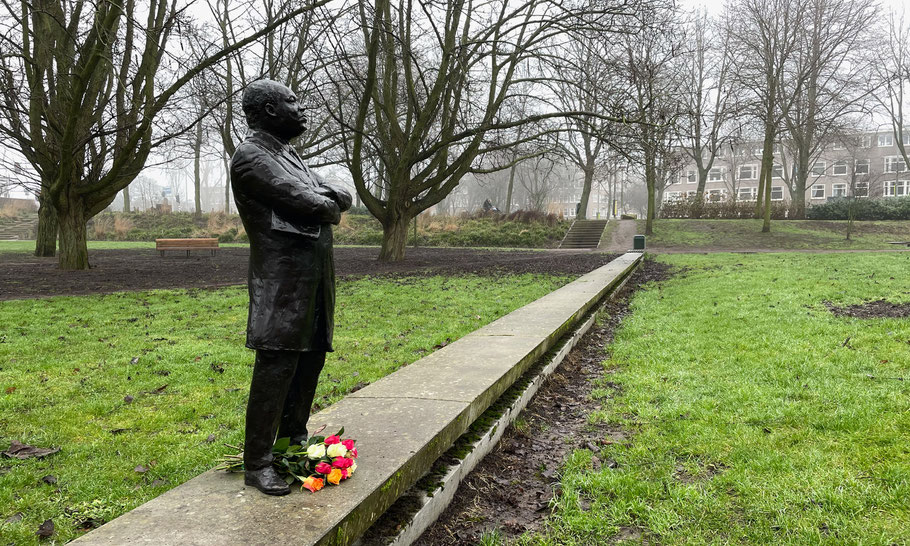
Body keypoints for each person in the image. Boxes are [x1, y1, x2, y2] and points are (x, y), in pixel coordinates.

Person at [230, 79, 352, 496]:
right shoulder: (252, 157)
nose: (302, 109)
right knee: (277, 370)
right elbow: (318, 205)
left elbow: (342, 195)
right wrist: (324, 197)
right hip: (281, 287)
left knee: (309, 364)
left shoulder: (288, 155)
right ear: (267, 110)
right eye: (292, 101)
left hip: (314, 284)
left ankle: (291, 444)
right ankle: (258, 462)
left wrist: (325, 195)